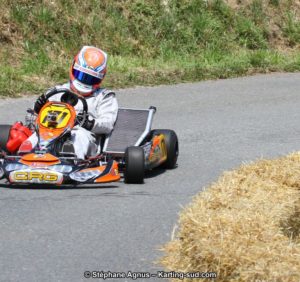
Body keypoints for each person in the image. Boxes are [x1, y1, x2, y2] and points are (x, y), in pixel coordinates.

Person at [23, 46, 118, 159]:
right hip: (50, 132)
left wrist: (89, 123)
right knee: (35, 136)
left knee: (78, 136)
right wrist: (37, 109)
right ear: (73, 68)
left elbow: (108, 123)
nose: (84, 81)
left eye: (90, 79)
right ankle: (23, 157)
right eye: (81, 75)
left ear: (100, 78)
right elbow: (31, 121)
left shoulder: (104, 97)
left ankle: (71, 160)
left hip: (84, 137)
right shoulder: (57, 92)